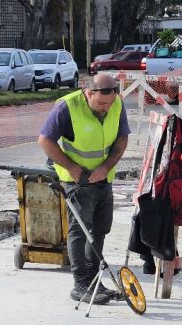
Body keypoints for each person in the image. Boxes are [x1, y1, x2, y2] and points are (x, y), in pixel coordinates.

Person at [38, 74, 130, 305]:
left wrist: (107, 166)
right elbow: (45, 141)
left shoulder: (116, 104)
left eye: (109, 104)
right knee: (80, 233)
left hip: (103, 178)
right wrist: (71, 167)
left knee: (99, 230)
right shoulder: (67, 107)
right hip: (76, 181)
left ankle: (94, 281)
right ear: (89, 93)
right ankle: (80, 285)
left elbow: (121, 139)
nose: (106, 109)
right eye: (101, 103)